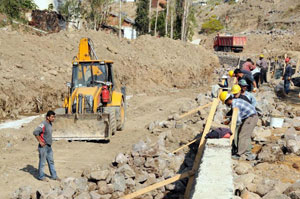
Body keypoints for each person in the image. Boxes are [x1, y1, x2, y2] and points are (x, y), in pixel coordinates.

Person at [219, 91, 258, 160]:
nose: (226, 104)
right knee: (246, 135)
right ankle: (248, 152)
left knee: (242, 135)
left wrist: (232, 128)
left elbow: (238, 120)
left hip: (251, 118)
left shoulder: (235, 105)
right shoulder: (236, 101)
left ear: (227, 100)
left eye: (225, 102)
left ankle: (239, 154)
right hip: (250, 117)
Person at [33, 110, 60, 181]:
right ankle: (41, 177)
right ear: (47, 117)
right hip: (43, 147)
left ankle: (54, 176)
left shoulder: (50, 124)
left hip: (49, 147)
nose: (53, 118)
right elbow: (35, 132)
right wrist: (40, 142)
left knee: (51, 161)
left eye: (54, 117)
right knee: (42, 163)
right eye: (52, 117)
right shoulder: (43, 124)